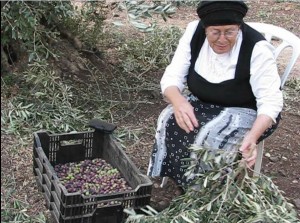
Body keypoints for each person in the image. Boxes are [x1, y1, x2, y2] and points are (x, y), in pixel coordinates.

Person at [147, 0, 283, 188]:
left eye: (229, 32)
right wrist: (178, 102)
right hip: (203, 101)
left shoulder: (257, 47)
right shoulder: (193, 32)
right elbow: (171, 77)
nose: (222, 39)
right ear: (205, 29)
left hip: (247, 110)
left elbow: (270, 102)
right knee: (169, 118)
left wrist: (252, 137)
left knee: (210, 136)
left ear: (239, 28)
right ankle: (184, 180)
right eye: (215, 32)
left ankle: (207, 190)